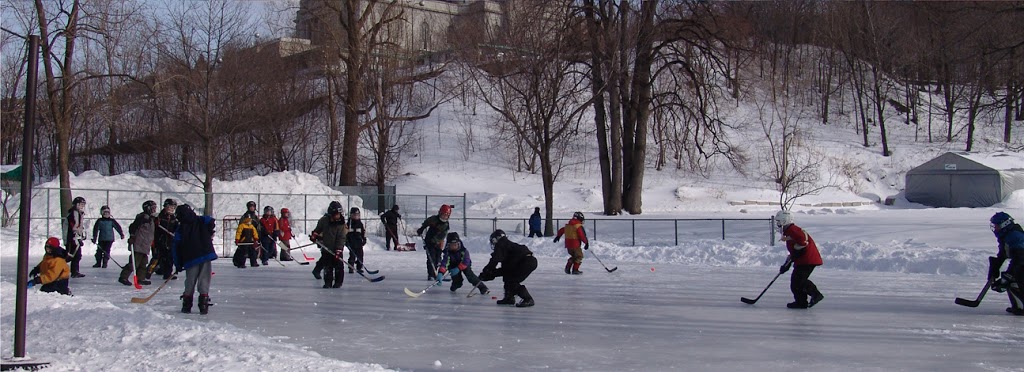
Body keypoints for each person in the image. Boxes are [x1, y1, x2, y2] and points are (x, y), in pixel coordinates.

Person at [172, 204, 217, 314]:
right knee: (204, 280)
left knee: (190, 281)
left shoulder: (181, 229)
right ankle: (203, 304)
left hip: (190, 258)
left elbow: (176, 248)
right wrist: (209, 231)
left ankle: (187, 305)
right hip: (205, 255)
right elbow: (211, 220)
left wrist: (178, 264)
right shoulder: (200, 220)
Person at [775, 210, 824, 309]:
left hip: (808, 260)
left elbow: (803, 241)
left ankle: (816, 294)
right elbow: (795, 249)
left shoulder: (793, 230)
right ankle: (801, 302)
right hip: (803, 260)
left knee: (799, 281)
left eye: (779, 221)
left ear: (785, 221)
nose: (778, 224)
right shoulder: (789, 231)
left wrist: (797, 253)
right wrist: (786, 264)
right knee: (795, 282)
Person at [479, 229, 537, 307]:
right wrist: (491, 273)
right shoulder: (507, 246)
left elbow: (495, 260)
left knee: (512, 281)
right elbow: (506, 270)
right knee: (508, 277)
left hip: (525, 262)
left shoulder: (501, 245)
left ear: (496, 239)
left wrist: (487, 271)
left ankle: (528, 299)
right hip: (528, 261)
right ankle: (509, 298)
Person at [988, 212, 1024, 315]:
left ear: (1005, 224)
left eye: (997, 225)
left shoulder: (1015, 236)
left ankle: (1021, 308)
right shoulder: (1006, 235)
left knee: (1013, 280)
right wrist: (994, 269)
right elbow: (1003, 254)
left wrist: (1008, 275)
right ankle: (1019, 306)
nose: (995, 228)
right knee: (1010, 278)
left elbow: (1020, 258)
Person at [310, 201, 348, 288]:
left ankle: (338, 282)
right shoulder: (324, 220)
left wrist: (338, 249)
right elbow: (318, 229)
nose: (338, 216)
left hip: (336, 249)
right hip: (326, 248)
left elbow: (341, 238)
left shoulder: (341, 224)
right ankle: (328, 282)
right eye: (336, 214)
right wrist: (314, 235)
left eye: (339, 214)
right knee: (327, 267)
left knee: (338, 266)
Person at [119, 200, 156, 286]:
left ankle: (140, 278)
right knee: (134, 263)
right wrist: (132, 237)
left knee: (143, 264)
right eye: (153, 208)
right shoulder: (142, 217)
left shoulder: (151, 219)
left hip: (145, 245)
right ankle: (123, 277)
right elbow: (133, 227)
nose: (154, 210)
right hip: (138, 244)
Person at [417, 204, 452, 281]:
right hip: (429, 242)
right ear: (440, 213)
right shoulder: (434, 219)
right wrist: (422, 228)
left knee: (437, 259)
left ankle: (436, 273)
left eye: (446, 215)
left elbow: (442, 236)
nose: (444, 217)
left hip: (438, 243)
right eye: (443, 215)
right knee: (431, 258)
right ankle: (431, 274)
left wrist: (437, 243)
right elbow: (426, 222)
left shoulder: (446, 225)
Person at [148, 198, 178, 280]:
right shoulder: (159, 217)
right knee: (157, 258)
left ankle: (167, 274)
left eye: (173, 207)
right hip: (159, 241)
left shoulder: (174, 218)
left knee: (169, 259)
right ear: (165, 207)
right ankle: (148, 273)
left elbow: (176, 228)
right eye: (169, 207)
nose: (171, 209)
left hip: (169, 241)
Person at [65, 196, 87, 278]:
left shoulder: (79, 213)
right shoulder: (73, 213)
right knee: (70, 256)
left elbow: (79, 226)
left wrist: (82, 235)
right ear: (76, 205)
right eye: (81, 204)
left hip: (75, 238)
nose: (82, 206)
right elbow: (73, 227)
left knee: (77, 255)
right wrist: (77, 236)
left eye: (83, 205)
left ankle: (75, 271)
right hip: (72, 239)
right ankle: (56, 267)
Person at [346, 207, 367, 274]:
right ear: (351, 215)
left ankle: (359, 267)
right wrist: (346, 241)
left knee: (360, 255)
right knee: (352, 255)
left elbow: (363, 232)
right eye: (355, 215)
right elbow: (345, 233)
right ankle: (351, 267)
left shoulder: (360, 224)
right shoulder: (349, 224)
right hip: (351, 242)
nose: (356, 216)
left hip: (358, 242)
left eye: (357, 215)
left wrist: (364, 239)